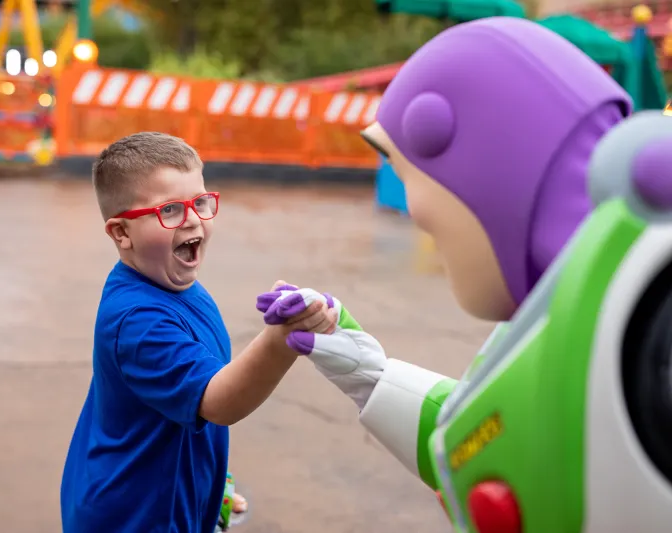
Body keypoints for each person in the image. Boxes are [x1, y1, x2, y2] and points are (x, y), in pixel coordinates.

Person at [253, 17, 672, 533]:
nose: (414, 212)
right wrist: (371, 376)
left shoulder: (653, 325)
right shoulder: (581, 312)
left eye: (411, 178)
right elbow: (491, 438)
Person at [60, 132, 337, 533]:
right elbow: (216, 401)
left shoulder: (179, 287)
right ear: (122, 233)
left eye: (200, 202)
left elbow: (182, 405)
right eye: (170, 209)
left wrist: (211, 487)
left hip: (168, 496)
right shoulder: (138, 321)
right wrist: (281, 341)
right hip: (133, 517)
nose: (193, 219)